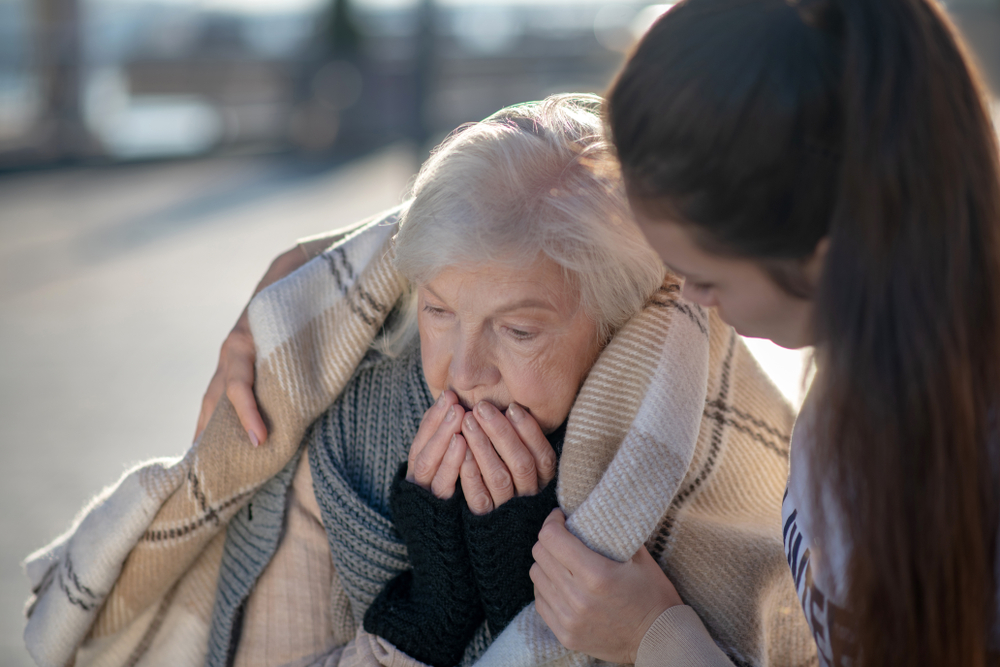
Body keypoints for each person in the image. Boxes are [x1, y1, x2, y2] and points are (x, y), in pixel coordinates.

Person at [23, 94, 811, 667]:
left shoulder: (700, 441)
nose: (461, 373)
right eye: (439, 312)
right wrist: (423, 621)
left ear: (615, 318)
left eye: (519, 328)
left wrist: (523, 608)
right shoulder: (353, 433)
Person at [527, 0, 1000, 666]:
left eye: (706, 277)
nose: (688, 297)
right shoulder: (881, 355)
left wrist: (656, 637)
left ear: (834, 255)